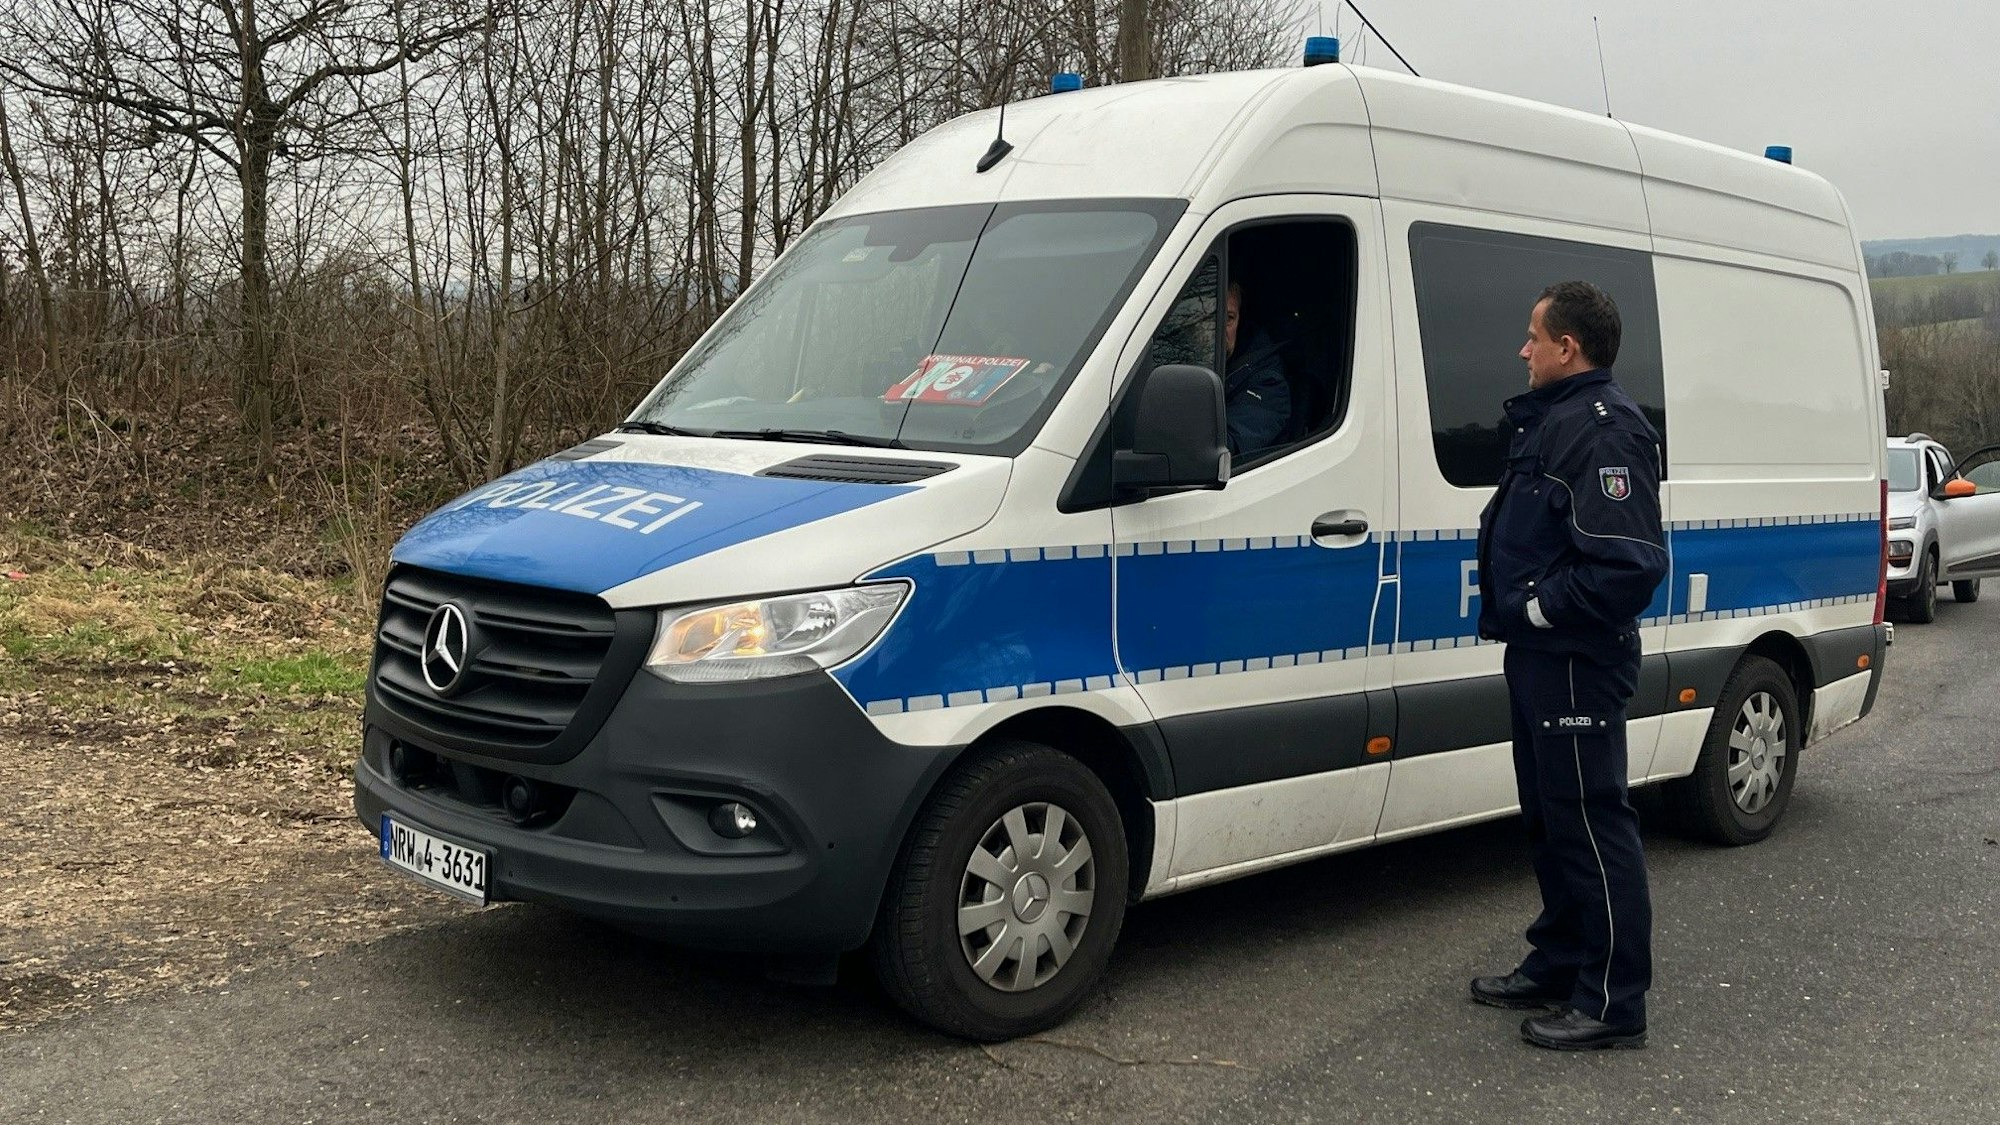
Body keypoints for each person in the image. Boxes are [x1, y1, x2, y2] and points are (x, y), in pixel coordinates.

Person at [1470, 280, 1668, 1051]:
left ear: (1567, 347)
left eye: (1532, 336)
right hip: (1541, 658)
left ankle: (1614, 998)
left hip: (1578, 657)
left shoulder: (1605, 429)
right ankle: (1560, 958)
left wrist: (1538, 609)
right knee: (1550, 820)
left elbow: (1628, 566)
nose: (1522, 350)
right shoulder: (1554, 422)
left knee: (1590, 821)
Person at [1222, 280, 1291, 457]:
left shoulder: (1268, 382)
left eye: (1229, 318)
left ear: (1240, 321)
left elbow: (1221, 448)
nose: (1218, 328)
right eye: (1207, 316)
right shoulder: (1178, 353)